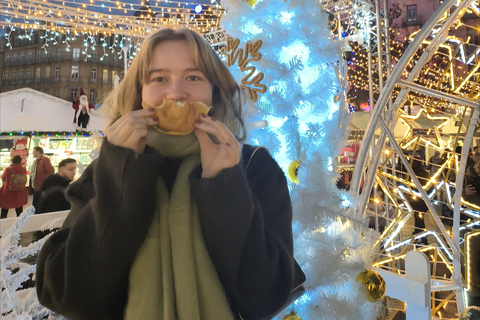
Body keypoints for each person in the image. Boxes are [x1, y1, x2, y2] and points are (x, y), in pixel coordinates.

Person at [36, 28, 303, 320]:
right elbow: (64, 293)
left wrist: (224, 185)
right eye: (159, 79)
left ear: (214, 90)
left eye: (193, 77)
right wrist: (122, 175)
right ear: (140, 93)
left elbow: (267, 296)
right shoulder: (107, 168)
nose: (176, 93)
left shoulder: (253, 166)